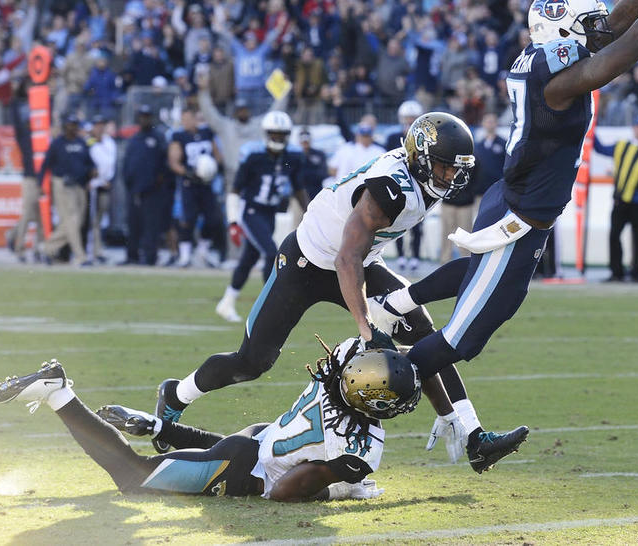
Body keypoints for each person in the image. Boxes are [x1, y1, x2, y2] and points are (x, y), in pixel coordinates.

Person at [370, 0, 638, 381]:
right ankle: (372, 386)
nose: (599, 29)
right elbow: (626, 48)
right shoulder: (555, 83)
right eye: (588, 24)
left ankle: (393, 305)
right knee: (463, 339)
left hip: (518, 201)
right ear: (564, 32)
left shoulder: (547, 58)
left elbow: (611, 30)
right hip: (518, 215)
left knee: (488, 283)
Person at [157, 113, 526, 474]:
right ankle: (176, 394)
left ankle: (472, 434)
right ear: (420, 157)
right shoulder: (390, 189)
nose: (451, 176)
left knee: (422, 331)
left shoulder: (421, 182)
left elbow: (357, 258)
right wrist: (367, 330)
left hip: (361, 263)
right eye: (444, 167)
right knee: (252, 361)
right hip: (309, 262)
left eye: (455, 168)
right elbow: (346, 258)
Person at [0, 340, 420, 502]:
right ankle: (59, 392)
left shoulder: (345, 357)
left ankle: (157, 427)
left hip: (254, 441)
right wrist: (343, 489)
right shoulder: (364, 448)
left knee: (214, 455)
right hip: (247, 466)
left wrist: (166, 430)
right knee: (133, 478)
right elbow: (286, 491)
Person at [216, 111, 309, 322]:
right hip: (251, 211)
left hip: (269, 213)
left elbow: (298, 189)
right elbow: (235, 190)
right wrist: (232, 222)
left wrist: (311, 213)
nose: (277, 139)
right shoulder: (253, 155)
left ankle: (227, 302)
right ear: (266, 134)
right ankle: (272, 305)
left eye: (281, 135)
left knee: (249, 259)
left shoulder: (293, 156)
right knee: (270, 253)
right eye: (273, 134)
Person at [593, 115, 638, 282]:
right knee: (614, 235)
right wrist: (591, 129)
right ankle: (616, 272)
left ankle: (636, 273)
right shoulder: (621, 146)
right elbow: (600, 149)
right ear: (634, 128)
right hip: (621, 199)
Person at [168, 109, 224, 268]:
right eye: (183, 119)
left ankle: (202, 253)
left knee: (212, 219)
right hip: (189, 184)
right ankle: (185, 256)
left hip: (207, 184)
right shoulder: (179, 136)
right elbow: (173, 161)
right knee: (188, 219)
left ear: (194, 118)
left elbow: (217, 155)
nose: (185, 122)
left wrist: (215, 167)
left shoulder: (206, 133)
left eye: (187, 118)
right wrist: (188, 173)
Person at [38, 116, 95, 266]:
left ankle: (46, 248)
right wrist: (40, 184)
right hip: (63, 184)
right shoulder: (57, 143)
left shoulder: (82, 143)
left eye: (75, 125)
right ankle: (80, 256)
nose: (74, 128)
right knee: (72, 221)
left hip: (80, 185)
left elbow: (89, 164)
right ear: (65, 126)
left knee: (76, 222)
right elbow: (45, 165)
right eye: (71, 125)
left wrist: (92, 172)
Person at [196, 70, 262, 189]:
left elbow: (276, 110)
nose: (243, 112)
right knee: (233, 205)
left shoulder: (258, 125)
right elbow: (209, 112)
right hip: (233, 175)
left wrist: (284, 90)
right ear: (235, 112)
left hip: (255, 175)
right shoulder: (226, 126)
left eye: (245, 109)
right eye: (240, 110)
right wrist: (203, 91)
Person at [121, 106, 168, 266]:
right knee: (133, 224)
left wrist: (158, 181)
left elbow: (164, 163)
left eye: (147, 116)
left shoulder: (158, 138)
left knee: (151, 226)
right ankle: (131, 256)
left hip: (153, 190)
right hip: (134, 189)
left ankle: (150, 258)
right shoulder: (134, 139)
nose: (144, 119)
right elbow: (127, 163)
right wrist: (128, 182)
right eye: (142, 116)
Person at [385, 101, 424, 270]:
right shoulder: (393, 138)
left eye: (412, 118)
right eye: (407, 118)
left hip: (417, 184)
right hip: (398, 183)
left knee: (417, 224)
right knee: (397, 221)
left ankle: (415, 255)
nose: (409, 121)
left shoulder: (424, 139)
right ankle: (401, 255)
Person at [11, 108, 44, 262]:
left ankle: (38, 249)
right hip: (30, 179)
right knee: (27, 214)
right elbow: (17, 126)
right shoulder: (26, 138)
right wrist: (14, 102)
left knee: (41, 216)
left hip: (43, 179)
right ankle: (20, 248)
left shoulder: (44, 139)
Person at [87, 116, 116, 263]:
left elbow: (109, 164)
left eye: (101, 126)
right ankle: (90, 250)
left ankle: (97, 250)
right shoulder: (88, 142)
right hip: (89, 186)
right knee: (89, 220)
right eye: (96, 126)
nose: (98, 129)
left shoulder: (109, 143)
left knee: (98, 219)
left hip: (103, 185)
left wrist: (102, 180)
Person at [298, 127, 328, 200]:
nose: (305, 144)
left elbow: (324, 173)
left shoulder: (319, 154)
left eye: (306, 141)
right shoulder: (295, 156)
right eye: (303, 141)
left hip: (316, 193)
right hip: (299, 193)